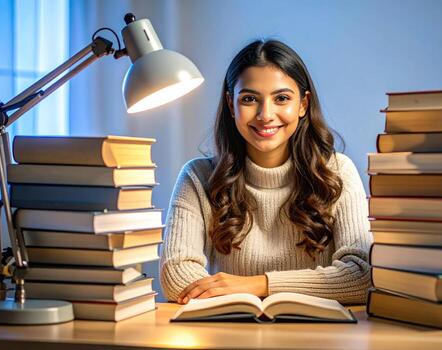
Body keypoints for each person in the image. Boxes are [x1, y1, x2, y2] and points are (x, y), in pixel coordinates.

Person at [159, 39, 372, 305]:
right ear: (230, 103)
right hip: (229, 333)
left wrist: (259, 284)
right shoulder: (198, 177)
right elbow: (176, 278)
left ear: (303, 104)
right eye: (249, 99)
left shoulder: (337, 171)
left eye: (281, 98)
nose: (265, 114)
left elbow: (362, 276)